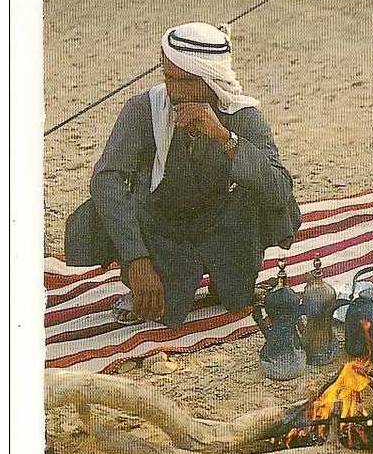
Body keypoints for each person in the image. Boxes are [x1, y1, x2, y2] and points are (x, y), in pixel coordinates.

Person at [64, 22, 301, 327]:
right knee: (105, 209)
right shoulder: (144, 109)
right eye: (168, 77)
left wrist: (223, 137)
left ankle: (225, 279)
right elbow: (106, 179)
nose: (175, 91)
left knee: (269, 199)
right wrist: (137, 258)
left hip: (219, 223)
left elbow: (279, 188)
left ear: (211, 80)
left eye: (187, 81)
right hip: (162, 225)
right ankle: (148, 278)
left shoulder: (242, 115)